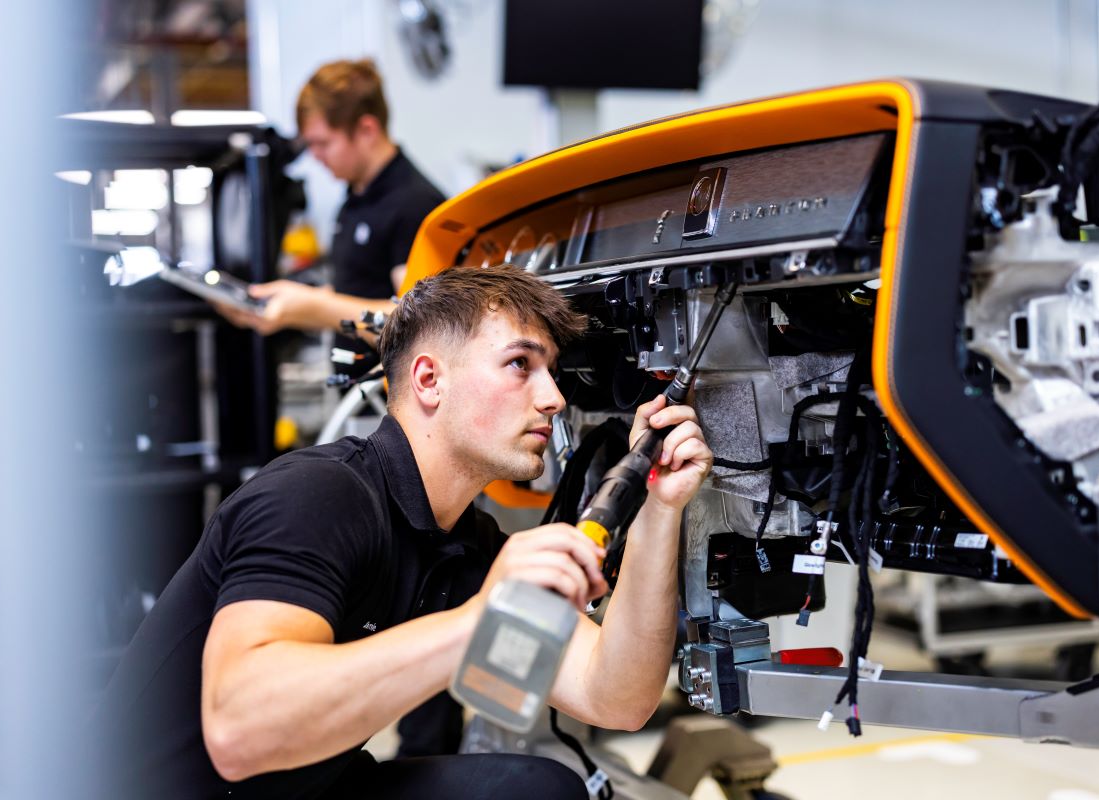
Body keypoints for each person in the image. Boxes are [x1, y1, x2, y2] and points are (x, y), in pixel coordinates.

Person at [90, 264, 714, 798]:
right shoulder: (319, 495)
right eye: (520, 364)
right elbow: (239, 731)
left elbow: (616, 698)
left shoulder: (469, 547)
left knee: (538, 791)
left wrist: (660, 508)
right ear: (427, 379)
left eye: (550, 372)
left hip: (308, 788)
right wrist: (478, 624)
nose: (553, 398)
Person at [217, 58, 445, 337]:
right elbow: (353, 294)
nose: (315, 156)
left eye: (322, 143)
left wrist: (316, 305)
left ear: (367, 130)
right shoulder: (357, 194)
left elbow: (415, 324)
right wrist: (292, 302)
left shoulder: (414, 204)